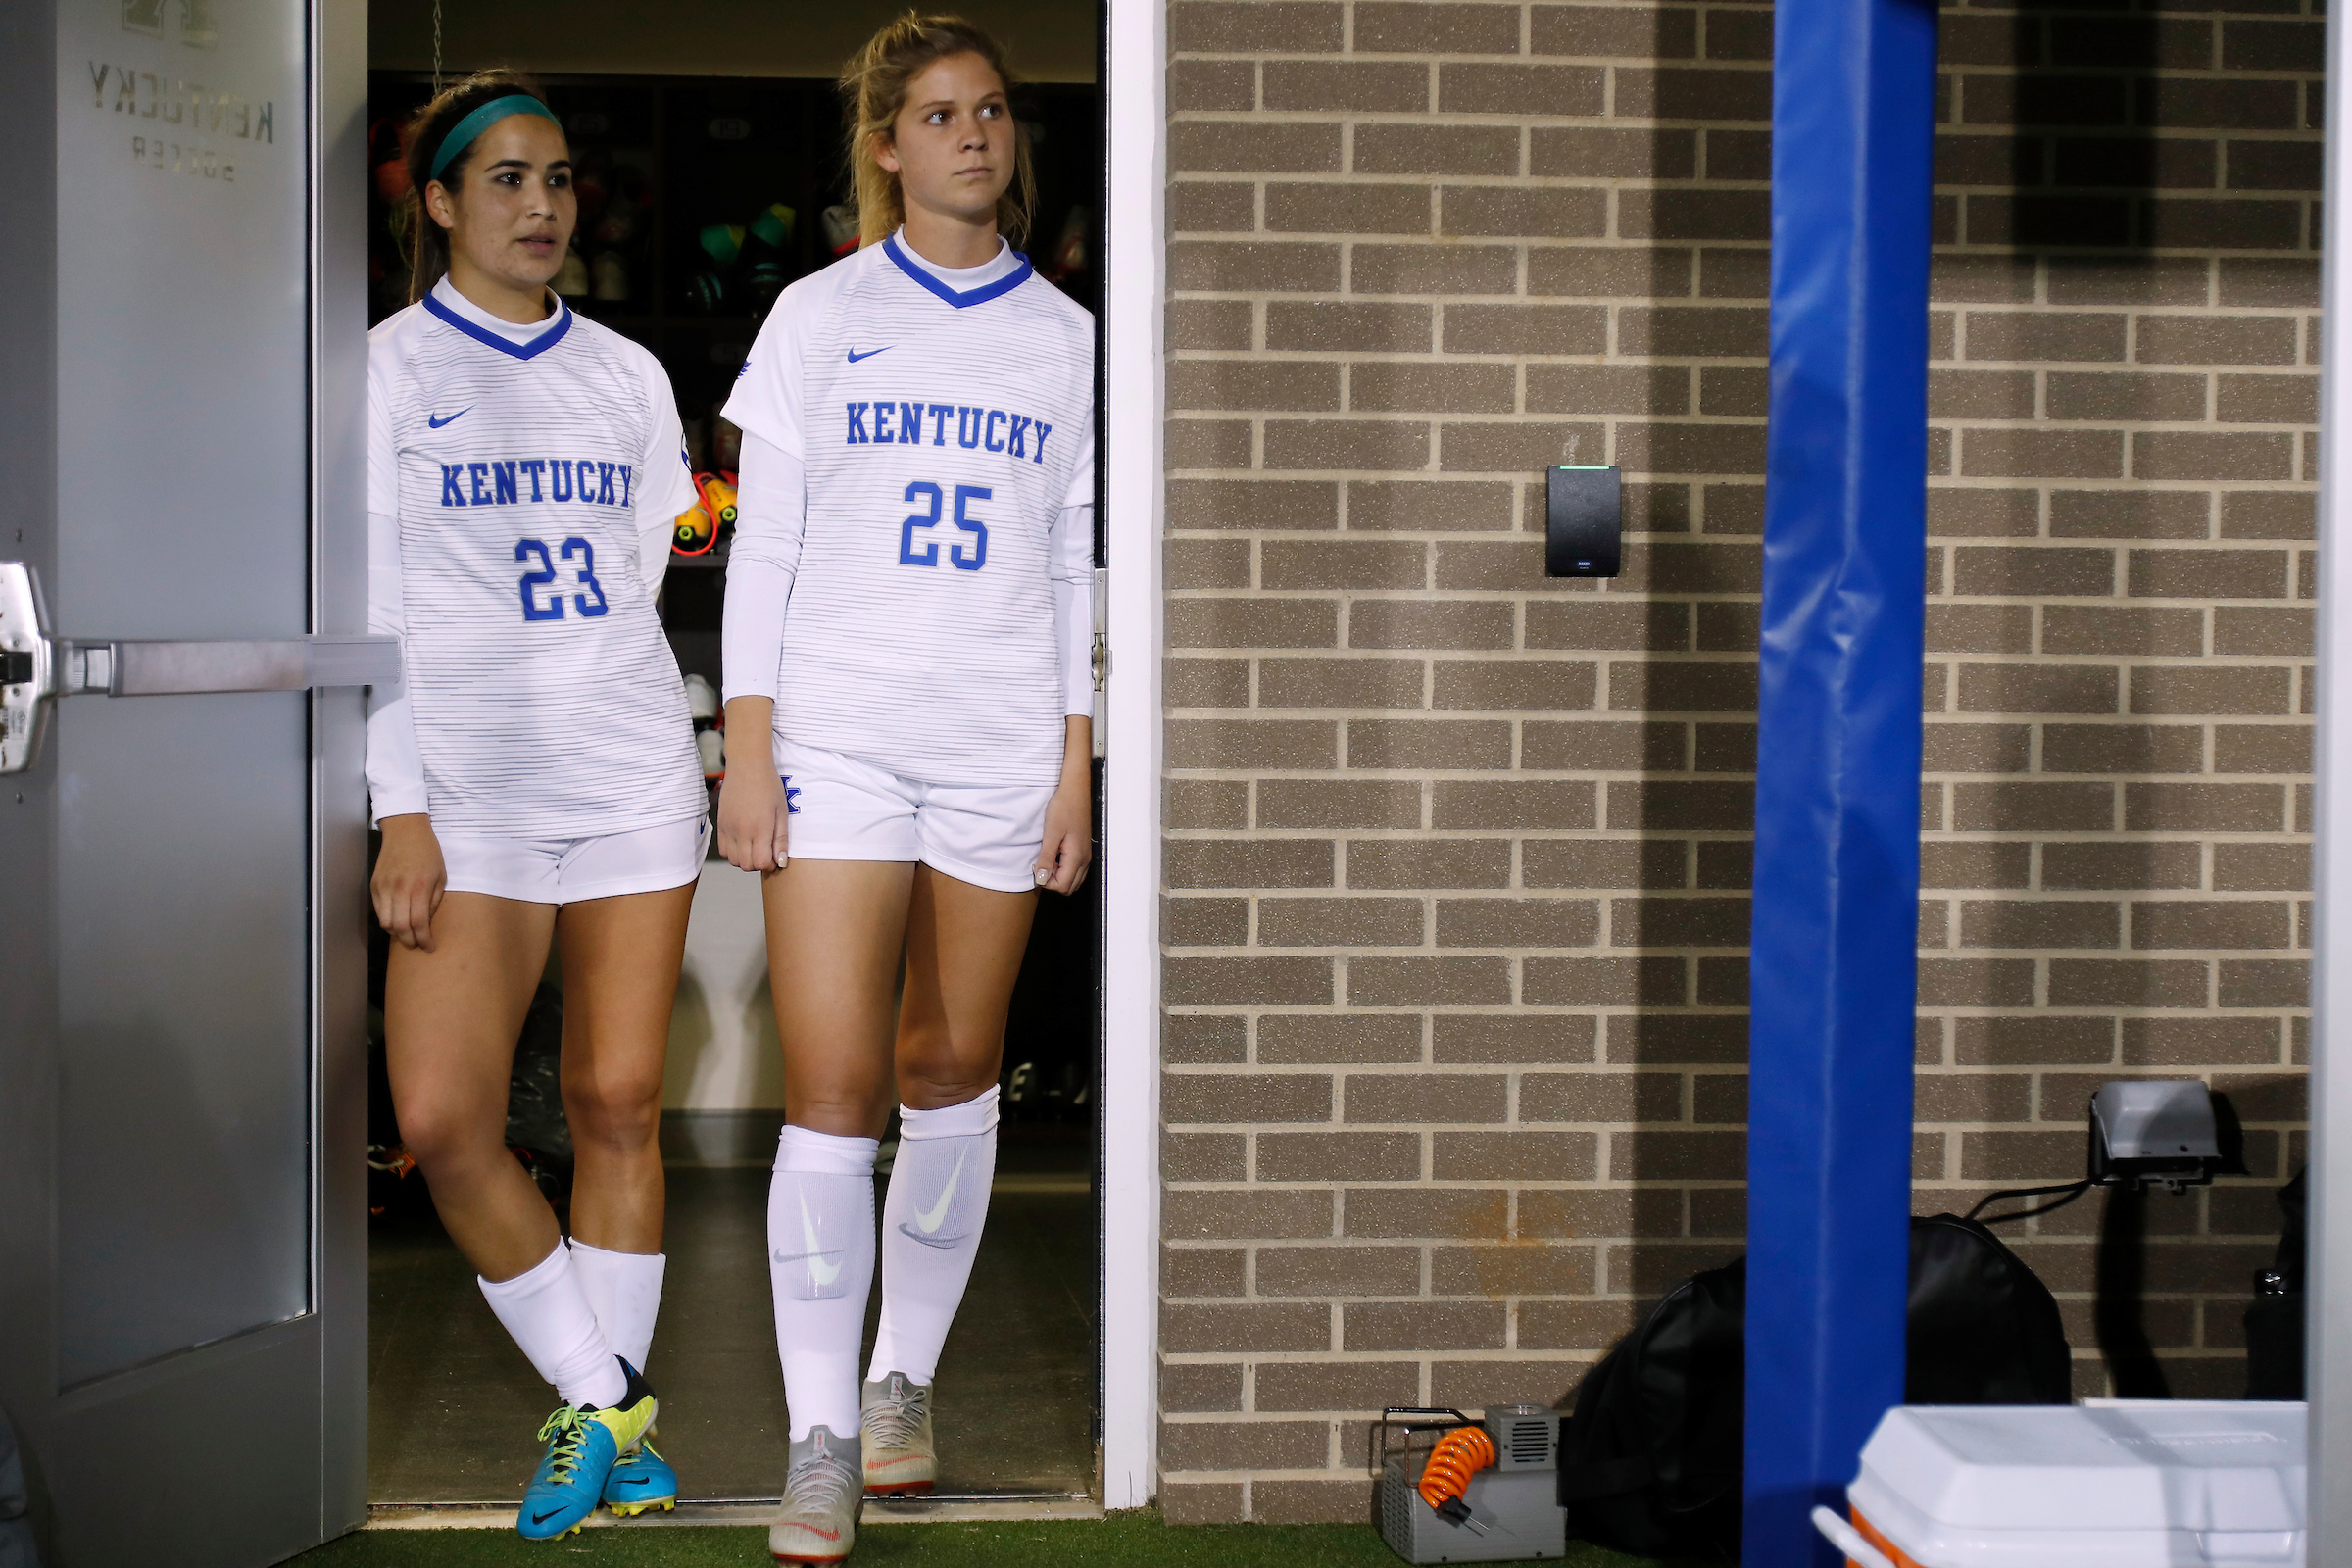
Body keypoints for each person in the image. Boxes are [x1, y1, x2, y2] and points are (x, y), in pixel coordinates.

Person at [715, 15, 1096, 1563]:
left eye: (991, 109)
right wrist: (749, 743)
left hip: (1004, 741)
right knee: (831, 1086)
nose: (972, 134)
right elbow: (770, 545)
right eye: (937, 114)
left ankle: (900, 1390)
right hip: (842, 735)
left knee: (951, 1067)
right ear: (885, 144)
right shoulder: (818, 314)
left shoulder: (1069, 335)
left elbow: (1075, 564)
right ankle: (817, 1437)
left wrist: (1076, 759)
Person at [367, 69, 708, 1541]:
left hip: (628, 770)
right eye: (504, 179)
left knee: (617, 1104)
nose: (540, 206)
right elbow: (366, 599)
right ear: (439, 201)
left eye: (558, 179)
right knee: (444, 1122)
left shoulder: (629, 375)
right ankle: (610, 1399)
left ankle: (595, 1413)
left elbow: (640, 574)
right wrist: (401, 804)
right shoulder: (377, 369)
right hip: (466, 798)